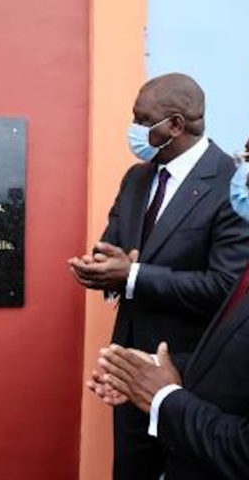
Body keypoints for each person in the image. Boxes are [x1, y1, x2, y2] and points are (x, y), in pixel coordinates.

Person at [68, 73, 249, 480]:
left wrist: (132, 274)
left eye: (141, 119)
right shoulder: (137, 177)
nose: (133, 129)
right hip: (128, 368)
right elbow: (113, 243)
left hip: (193, 377)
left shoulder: (229, 182)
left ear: (174, 125)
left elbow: (224, 287)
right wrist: (102, 270)